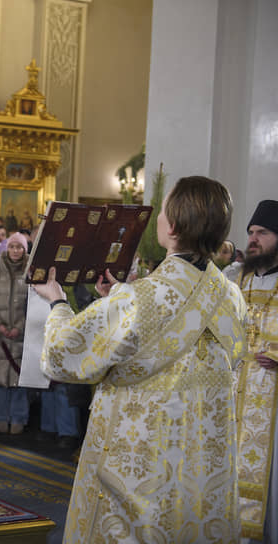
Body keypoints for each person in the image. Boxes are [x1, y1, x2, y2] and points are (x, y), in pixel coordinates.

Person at [35, 176, 246, 543]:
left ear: (174, 226)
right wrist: (117, 293)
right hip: (200, 462)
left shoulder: (137, 300)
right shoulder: (231, 295)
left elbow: (63, 354)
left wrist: (56, 302)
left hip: (141, 460)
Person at [223, 199, 278, 542]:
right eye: (251, 232)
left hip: (272, 400)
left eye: (263, 232)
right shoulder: (232, 279)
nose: (253, 239)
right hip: (231, 395)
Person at [0, 232, 30, 435]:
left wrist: (20, 326)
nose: (15, 251)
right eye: (12, 247)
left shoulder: (31, 270)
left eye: (19, 247)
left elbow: (34, 303)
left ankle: (18, 417)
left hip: (21, 334)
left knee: (20, 379)